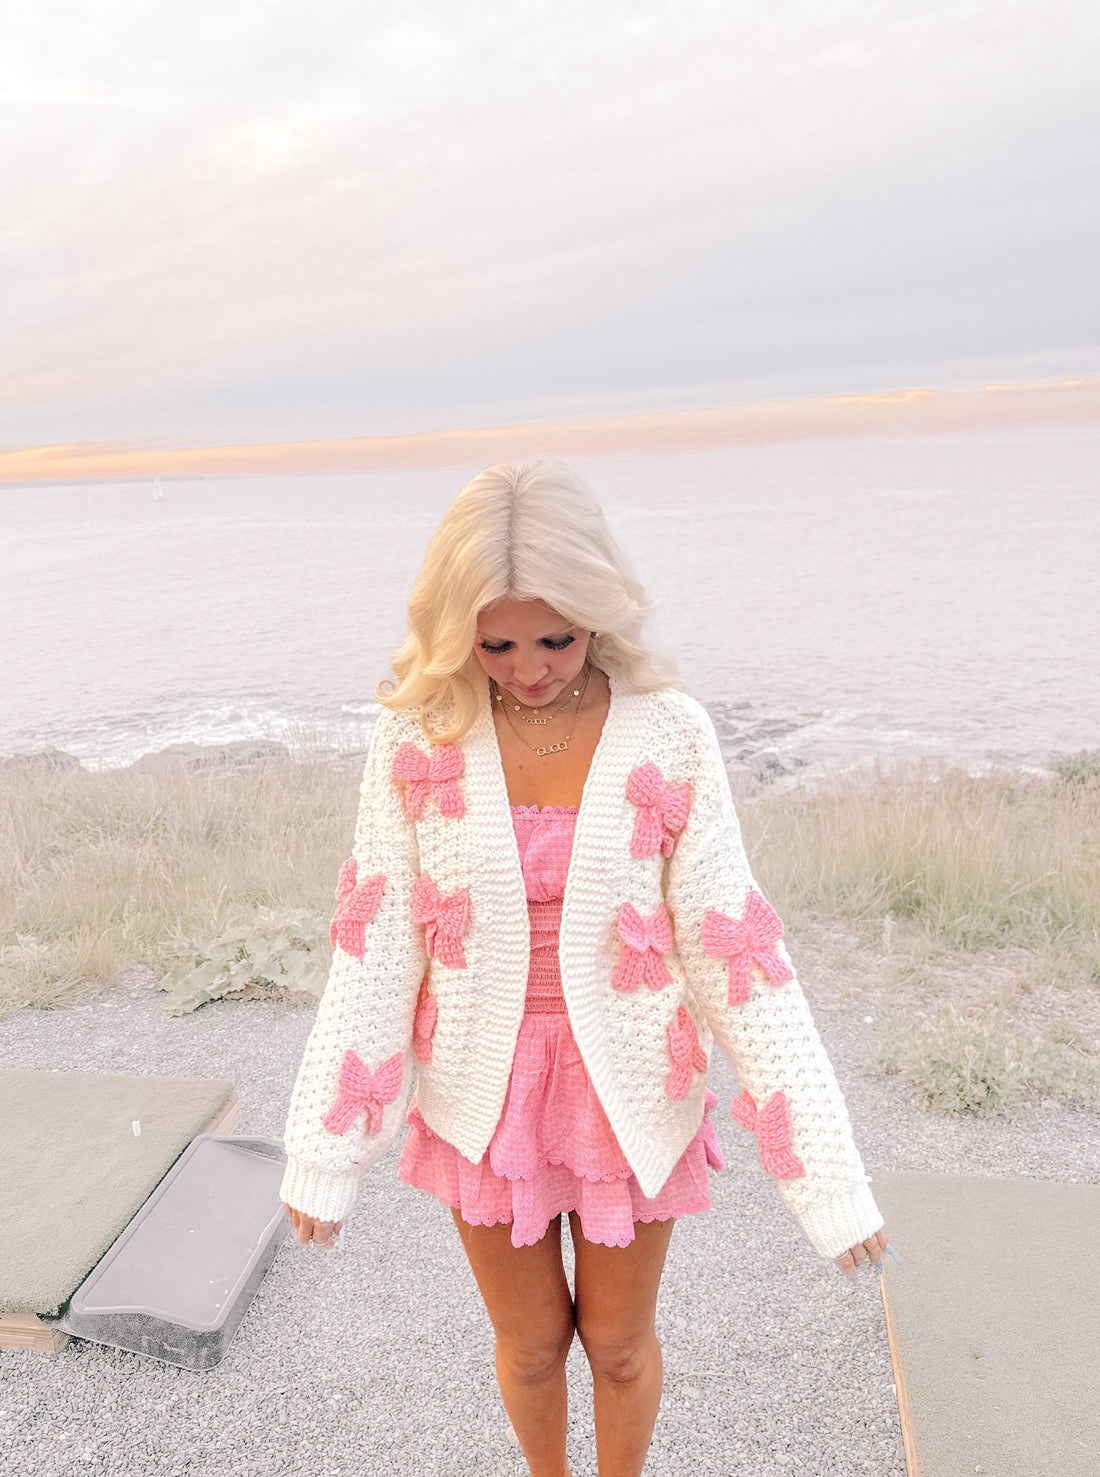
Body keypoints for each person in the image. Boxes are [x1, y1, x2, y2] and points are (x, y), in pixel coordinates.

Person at [280, 459, 890, 1477]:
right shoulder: (414, 733)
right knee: (528, 1346)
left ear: (599, 612)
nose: (528, 668)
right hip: (481, 1088)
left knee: (612, 1344)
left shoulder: (670, 731)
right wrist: (322, 1151)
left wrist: (831, 1184)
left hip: (631, 1092)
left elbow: (737, 954)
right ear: (455, 628)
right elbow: (377, 940)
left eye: (555, 638)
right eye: (498, 641)